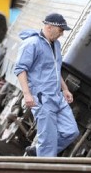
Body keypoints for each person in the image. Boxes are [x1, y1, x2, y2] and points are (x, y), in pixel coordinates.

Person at [14, 13, 79, 157]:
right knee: (48, 140)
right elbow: (20, 69)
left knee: (71, 132)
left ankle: (39, 151)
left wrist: (65, 89)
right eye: (60, 30)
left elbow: (55, 69)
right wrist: (27, 94)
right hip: (42, 99)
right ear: (49, 27)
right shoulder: (31, 44)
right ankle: (44, 170)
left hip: (57, 96)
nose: (62, 34)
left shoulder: (56, 44)